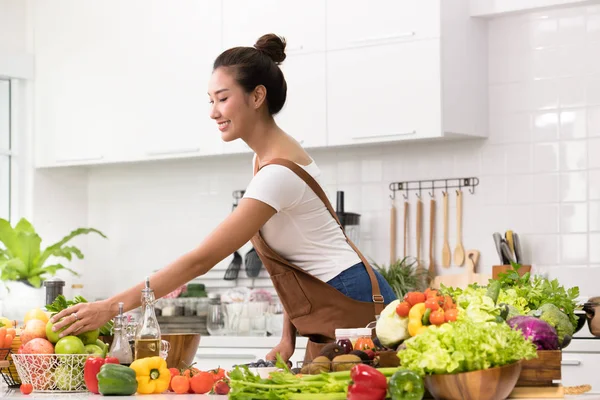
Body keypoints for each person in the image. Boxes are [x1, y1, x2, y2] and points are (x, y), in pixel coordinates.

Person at [50, 33, 397, 363]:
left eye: (223, 98)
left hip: (351, 299)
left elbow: (201, 260)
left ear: (257, 97)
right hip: (332, 299)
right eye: (211, 100)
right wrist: (287, 338)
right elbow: (298, 261)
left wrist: (111, 307)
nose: (213, 112)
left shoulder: (276, 173)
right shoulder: (266, 160)